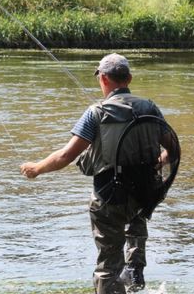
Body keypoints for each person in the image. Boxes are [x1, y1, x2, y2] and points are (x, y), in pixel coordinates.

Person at [20, 53, 178, 293]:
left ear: (103, 79)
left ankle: (120, 280)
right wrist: (158, 163)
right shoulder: (150, 108)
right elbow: (174, 150)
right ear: (129, 78)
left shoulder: (96, 113)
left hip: (109, 197)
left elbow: (66, 156)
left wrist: (37, 168)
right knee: (137, 221)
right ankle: (135, 271)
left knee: (108, 265)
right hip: (144, 193)